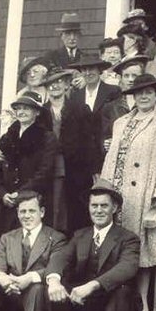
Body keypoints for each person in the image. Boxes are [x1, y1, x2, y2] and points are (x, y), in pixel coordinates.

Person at [101, 74, 156, 311]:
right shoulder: (121, 122)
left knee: (140, 250)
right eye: (139, 92)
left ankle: (142, 306)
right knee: (115, 247)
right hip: (118, 194)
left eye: (149, 92)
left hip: (143, 193)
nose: (144, 96)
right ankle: (114, 305)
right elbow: (111, 158)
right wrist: (103, 191)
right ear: (132, 96)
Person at [46, 179, 140, 311]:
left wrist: (92, 286)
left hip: (111, 302)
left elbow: (127, 267)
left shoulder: (128, 238)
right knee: (54, 285)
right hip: (81, 301)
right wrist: (54, 280)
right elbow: (61, 257)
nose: (98, 211)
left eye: (104, 206)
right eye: (94, 205)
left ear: (114, 208)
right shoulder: (80, 235)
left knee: (122, 289)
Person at [0, 91, 58, 235]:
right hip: (7, 204)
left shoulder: (47, 138)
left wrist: (20, 194)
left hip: (33, 201)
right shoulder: (7, 137)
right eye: (18, 108)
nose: (21, 112)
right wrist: (3, 195)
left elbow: (45, 172)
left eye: (26, 108)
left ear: (37, 112)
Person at [42, 67, 98, 234]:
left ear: (66, 84)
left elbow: (90, 143)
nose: (55, 86)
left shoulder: (80, 109)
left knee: (76, 214)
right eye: (50, 83)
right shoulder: (41, 113)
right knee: (51, 211)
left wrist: (95, 170)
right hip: (48, 171)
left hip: (76, 171)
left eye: (59, 82)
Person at [68, 56, 121, 172]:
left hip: (105, 150)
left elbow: (117, 119)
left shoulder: (112, 91)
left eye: (91, 69)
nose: (88, 73)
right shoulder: (76, 96)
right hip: (83, 154)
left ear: (99, 70)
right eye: (84, 70)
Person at [100, 55, 149, 152]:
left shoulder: (150, 104)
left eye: (134, 76)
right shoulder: (111, 107)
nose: (130, 79)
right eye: (126, 76)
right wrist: (107, 143)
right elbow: (106, 135)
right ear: (121, 79)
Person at [44, 12, 86, 89]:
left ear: (80, 36)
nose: (72, 38)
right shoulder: (52, 56)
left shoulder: (86, 58)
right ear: (61, 36)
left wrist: (85, 79)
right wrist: (72, 72)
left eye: (75, 34)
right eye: (68, 34)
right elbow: (49, 75)